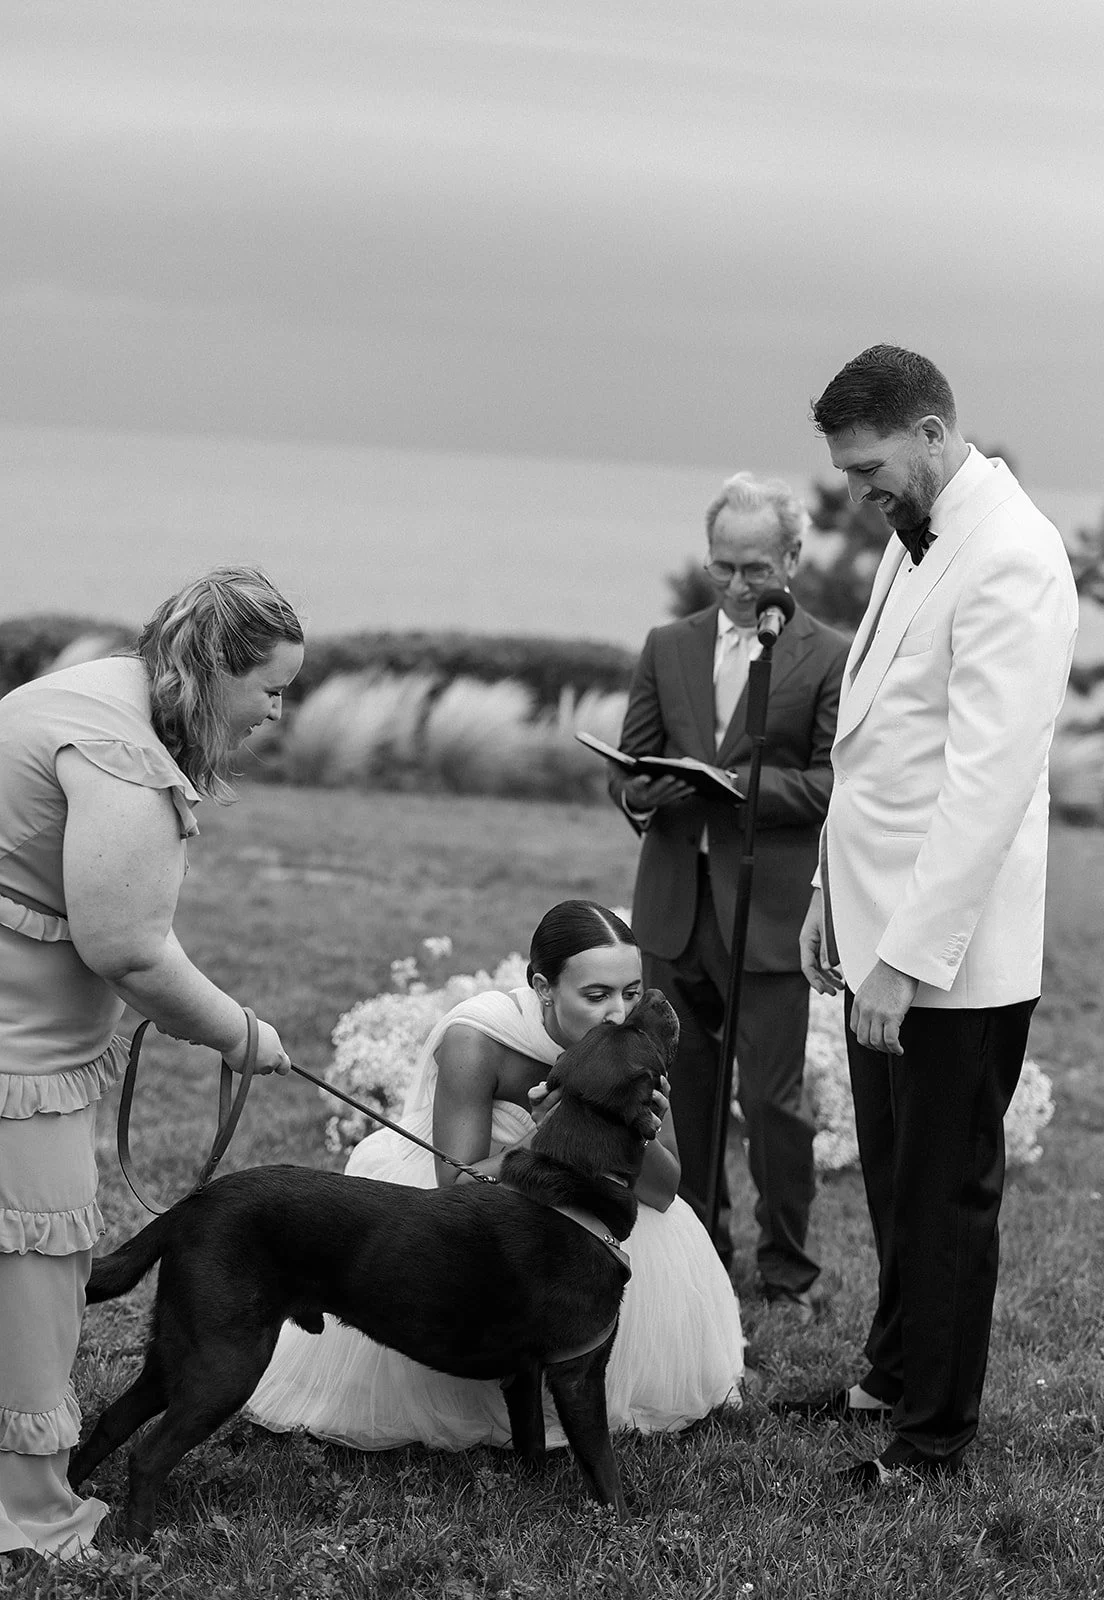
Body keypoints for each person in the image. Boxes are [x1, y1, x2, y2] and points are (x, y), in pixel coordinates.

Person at [785, 345, 1078, 1485]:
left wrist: (905, 957)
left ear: (931, 432)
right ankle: (889, 1372)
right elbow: (874, 743)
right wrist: (826, 896)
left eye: (868, 467)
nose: (859, 491)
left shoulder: (1012, 553)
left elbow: (986, 780)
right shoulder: (921, 537)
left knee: (946, 1193)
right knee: (897, 1171)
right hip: (875, 930)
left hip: (952, 957)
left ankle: (934, 1434)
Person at [0, 567, 302, 1563]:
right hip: (13, 1060)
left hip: (25, 1043)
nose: (279, 711)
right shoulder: (123, 752)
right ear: (215, 672)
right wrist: (239, 1034)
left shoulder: (101, 689)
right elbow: (127, 947)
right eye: (271, 688)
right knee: (33, 1275)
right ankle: (29, 1513)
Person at [247, 900, 744, 1447]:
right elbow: (454, 1185)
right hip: (473, 1202)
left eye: (631, 992)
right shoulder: (478, 1039)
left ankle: (587, 1388)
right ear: (544, 987)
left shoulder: (625, 1049)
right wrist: (543, 1139)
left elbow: (664, 1192)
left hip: (576, 1202)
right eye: (596, 995)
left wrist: (634, 1130)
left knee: (629, 1236)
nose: (619, 1015)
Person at [608, 473, 849, 1316]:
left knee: (771, 1102)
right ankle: (701, 1245)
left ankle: (788, 1267)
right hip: (674, 909)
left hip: (773, 913)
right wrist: (644, 794)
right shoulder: (666, 645)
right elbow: (631, 771)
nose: (739, 587)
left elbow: (831, 784)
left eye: (755, 569)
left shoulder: (828, 654)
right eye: (723, 569)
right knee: (685, 1092)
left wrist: (740, 790)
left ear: (791, 557)